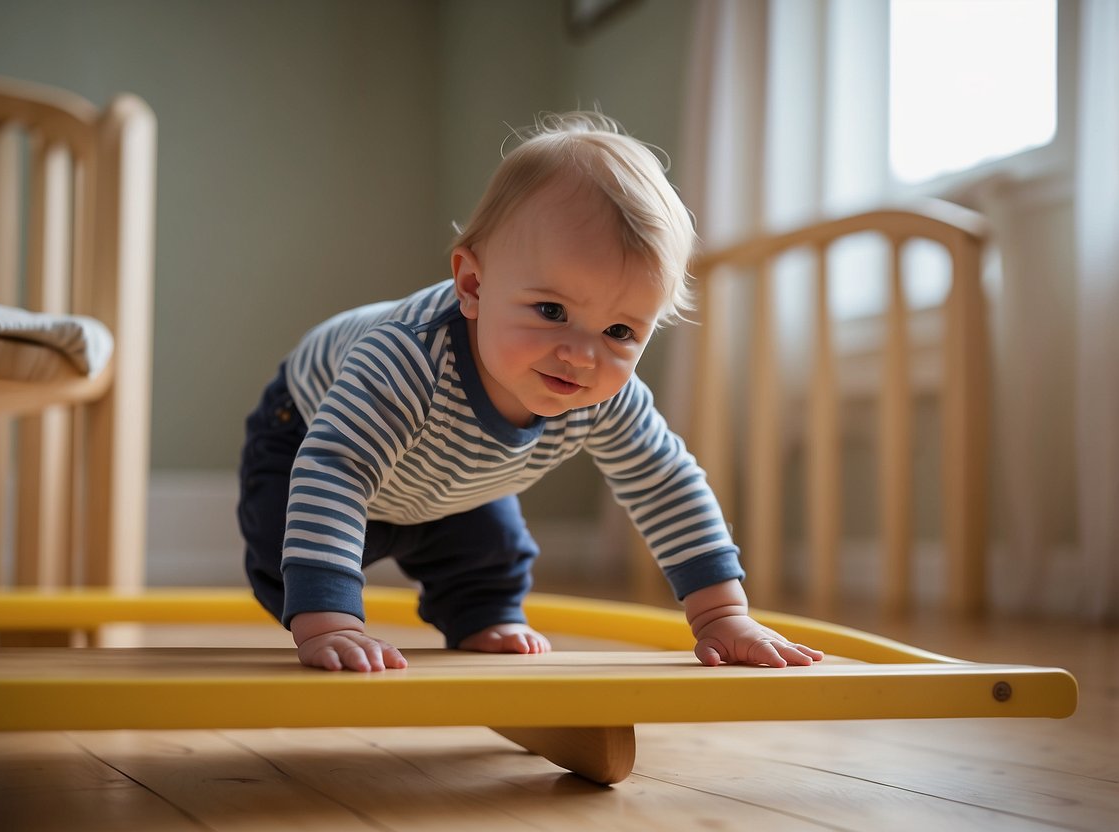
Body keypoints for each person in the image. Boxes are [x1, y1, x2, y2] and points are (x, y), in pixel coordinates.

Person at [237, 111, 823, 672]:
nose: (581, 355)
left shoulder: (605, 395)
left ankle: (481, 617)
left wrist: (723, 614)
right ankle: (319, 603)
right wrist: (332, 622)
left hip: (451, 470)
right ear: (472, 284)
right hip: (311, 434)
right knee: (287, 552)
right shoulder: (406, 359)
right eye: (551, 310)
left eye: (620, 331)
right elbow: (336, 469)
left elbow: (665, 482)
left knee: (493, 549)